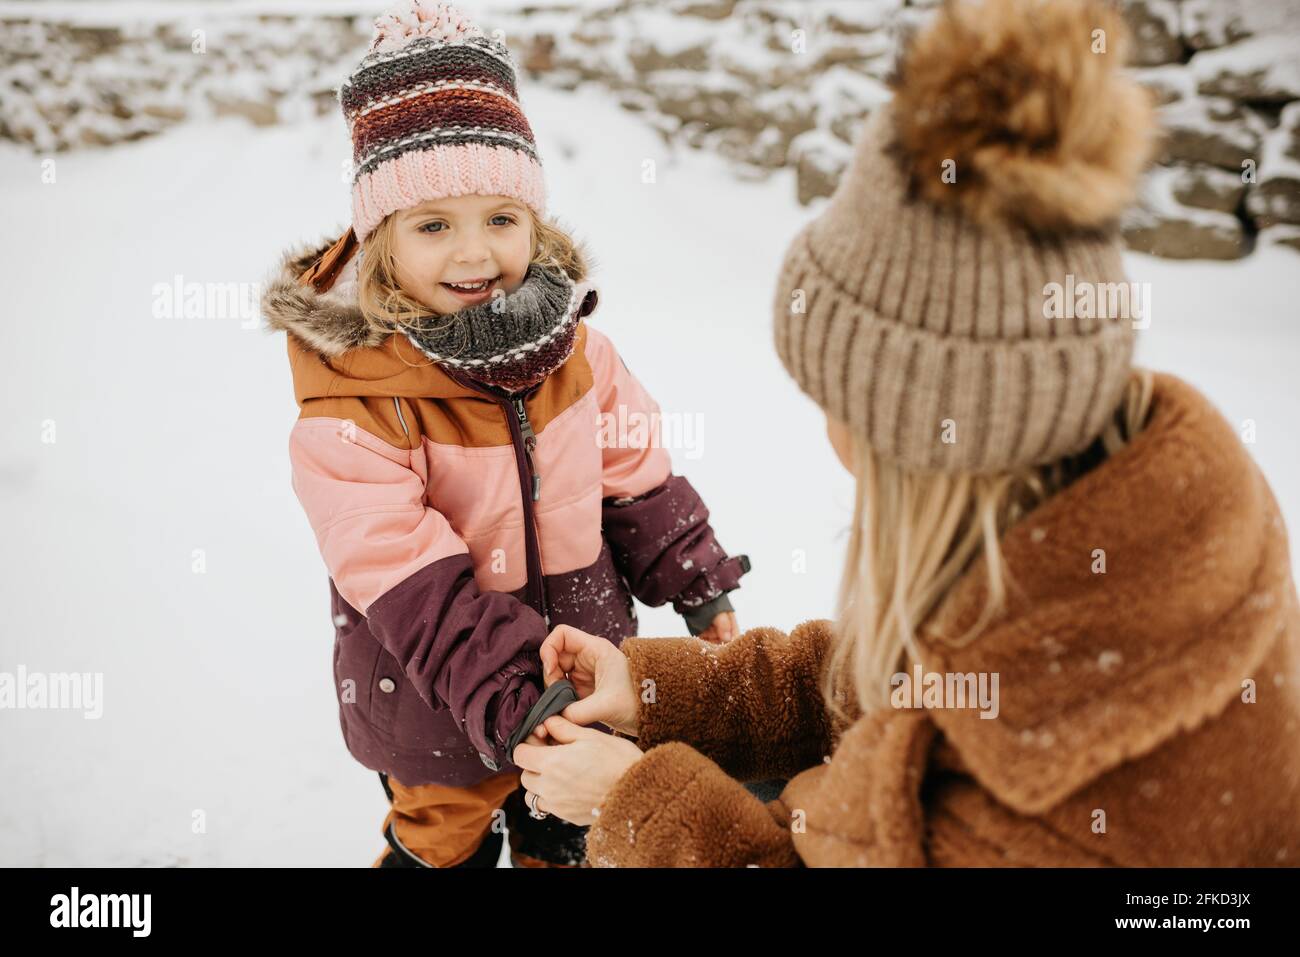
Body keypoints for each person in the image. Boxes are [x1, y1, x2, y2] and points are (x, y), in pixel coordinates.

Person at [513, 0, 1300, 867]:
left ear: (926, 431)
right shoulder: (1072, 532)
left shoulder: (1073, 811)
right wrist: (659, 691)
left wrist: (631, 802)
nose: (829, 432)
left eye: (839, 401)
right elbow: (885, 681)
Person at [260, 0, 749, 868]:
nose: (473, 253)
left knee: (570, 838)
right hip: (436, 701)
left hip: (586, 676)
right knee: (443, 845)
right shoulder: (356, 405)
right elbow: (408, 577)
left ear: (536, 222)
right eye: (434, 224)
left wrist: (697, 580)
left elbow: (634, 473)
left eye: (500, 217)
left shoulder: (581, 355)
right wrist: (513, 693)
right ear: (381, 243)